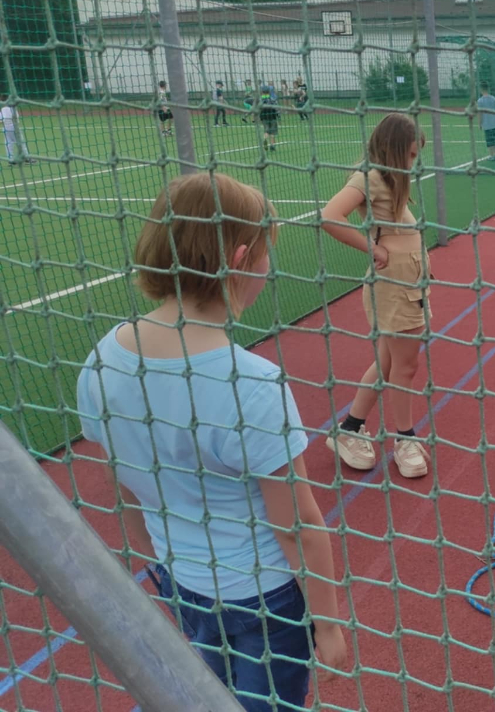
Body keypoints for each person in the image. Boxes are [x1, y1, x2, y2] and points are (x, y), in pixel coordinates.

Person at [75, 172, 349, 710]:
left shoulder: (103, 358)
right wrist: (329, 624)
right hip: (264, 596)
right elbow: (298, 525)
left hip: (180, 581)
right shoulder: (252, 384)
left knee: (206, 692)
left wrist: (161, 562)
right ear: (241, 259)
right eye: (265, 254)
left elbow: (123, 482)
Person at [322, 113, 434, 478]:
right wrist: (372, 248)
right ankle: (405, 438)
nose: (414, 162)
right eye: (411, 155)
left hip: (407, 283)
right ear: (395, 149)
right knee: (405, 367)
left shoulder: (389, 179)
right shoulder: (369, 176)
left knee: (388, 363)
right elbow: (330, 215)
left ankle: (350, 429)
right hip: (394, 286)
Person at [477, 82, 495, 160]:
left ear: (481, 89)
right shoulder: (493, 99)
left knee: (489, 140)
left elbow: (480, 113)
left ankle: (491, 155)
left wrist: (480, 123)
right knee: (494, 139)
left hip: (487, 124)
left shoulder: (480, 101)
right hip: (494, 122)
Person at [2, 98, 28, 164]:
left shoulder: (3, 109)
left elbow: (1, 119)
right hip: (14, 127)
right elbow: (16, 118)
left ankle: (10, 159)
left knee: (8, 143)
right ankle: (26, 157)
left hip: (6, 128)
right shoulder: (13, 108)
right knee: (21, 142)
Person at [259, 83, 280, 152]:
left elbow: (258, 108)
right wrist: (278, 116)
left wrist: (259, 117)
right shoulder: (272, 99)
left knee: (266, 130)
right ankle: (272, 145)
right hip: (272, 116)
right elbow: (277, 108)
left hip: (264, 117)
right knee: (272, 132)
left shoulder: (260, 99)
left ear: (262, 92)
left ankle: (265, 139)